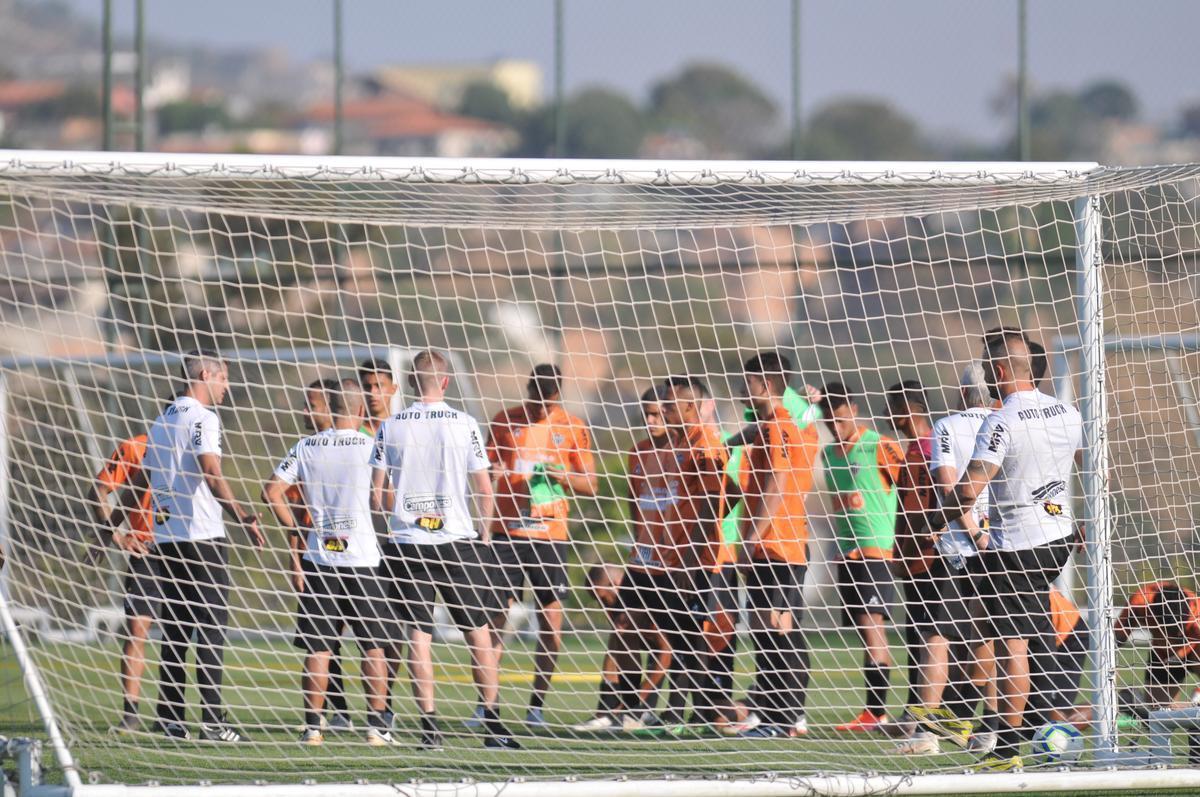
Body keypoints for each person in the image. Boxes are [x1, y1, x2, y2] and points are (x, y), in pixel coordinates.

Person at [925, 330, 1083, 770]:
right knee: (1019, 628)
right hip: (1059, 536)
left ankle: (1005, 746)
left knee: (1012, 642)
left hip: (1019, 545)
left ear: (997, 371)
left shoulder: (1002, 421)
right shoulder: (1068, 412)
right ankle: (978, 719)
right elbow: (1074, 469)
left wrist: (931, 524)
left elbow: (968, 490)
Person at [371, 350, 519, 750]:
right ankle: (493, 725)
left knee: (419, 638)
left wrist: (404, 516)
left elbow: (376, 494)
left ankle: (430, 728)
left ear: (411, 382)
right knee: (479, 635)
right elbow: (484, 490)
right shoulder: (465, 423)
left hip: (408, 545)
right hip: (458, 543)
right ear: (446, 381)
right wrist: (485, 540)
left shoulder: (390, 425)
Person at [115, 349, 264, 742]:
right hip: (202, 538)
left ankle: (170, 719)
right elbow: (211, 472)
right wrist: (243, 515)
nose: (228, 386)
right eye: (224, 378)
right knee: (211, 631)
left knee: (177, 632)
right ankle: (213, 720)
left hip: (165, 540)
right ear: (205, 374)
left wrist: (112, 527)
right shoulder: (203, 418)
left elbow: (138, 485)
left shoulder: (161, 420)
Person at [262, 380, 393, 747]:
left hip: (320, 557)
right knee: (373, 646)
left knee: (318, 647)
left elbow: (270, 491)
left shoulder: (306, 446)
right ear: (362, 410)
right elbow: (385, 498)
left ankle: (313, 728)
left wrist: (298, 532)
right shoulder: (372, 445)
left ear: (330, 408)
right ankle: (376, 728)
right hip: (363, 559)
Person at [484, 364, 598, 729]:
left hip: (550, 535)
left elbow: (591, 484)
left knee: (551, 622)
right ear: (529, 391)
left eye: (547, 406)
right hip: (508, 532)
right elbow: (485, 470)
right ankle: (487, 706)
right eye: (536, 403)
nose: (540, 411)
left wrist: (565, 476)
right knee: (494, 620)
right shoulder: (505, 420)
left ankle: (536, 708)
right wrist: (494, 475)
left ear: (557, 397)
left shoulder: (573, 426)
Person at [574, 387, 674, 733]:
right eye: (646, 414)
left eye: (658, 414)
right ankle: (611, 708)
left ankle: (650, 707)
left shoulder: (690, 452)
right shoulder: (638, 453)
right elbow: (636, 504)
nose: (650, 421)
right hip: (644, 559)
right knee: (623, 632)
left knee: (669, 640)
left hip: (679, 563)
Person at [735, 353, 821, 738]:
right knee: (764, 628)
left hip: (779, 545)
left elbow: (778, 482)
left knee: (779, 627)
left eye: (748, 381)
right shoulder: (780, 424)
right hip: (773, 545)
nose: (742, 387)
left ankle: (785, 717)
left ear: (766, 385)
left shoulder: (777, 427)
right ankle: (773, 711)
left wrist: (752, 535)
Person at [919, 362, 1001, 756]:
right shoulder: (1007, 423)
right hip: (999, 545)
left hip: (957, 547)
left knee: (939, 636)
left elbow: (949, 486)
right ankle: (988, 728)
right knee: (988, 637)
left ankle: (926, 731)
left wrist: (972, 532)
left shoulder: (947, 426)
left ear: (963, 393)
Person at [820, 381, 905, 733]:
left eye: (841, 420)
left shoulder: (879, 446)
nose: (836, 428)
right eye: (830, 423)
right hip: (847, 554)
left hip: (877, 552)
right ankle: (873, 710)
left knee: (873, 628)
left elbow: (915, 487)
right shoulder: (828, 456)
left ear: (853, 410)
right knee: (862, 629)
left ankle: (877, 712)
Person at [885, 379, 953, 753]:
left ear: (908, 409)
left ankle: (930, 717)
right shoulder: (912, 449)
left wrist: (930, 535)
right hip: (912, 557)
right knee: (916, 634)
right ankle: (914, 711)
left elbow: (942, 496)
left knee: (933, 636)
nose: (886, 415)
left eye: (892, 407)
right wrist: (900, 547)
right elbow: (906, 505)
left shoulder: (931, 446)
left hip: (932, 558)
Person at [88, 429, 157, 733]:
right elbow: (100, 490)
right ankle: (130, 713)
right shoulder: (136, 447)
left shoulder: (203, 443)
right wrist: (111, 535)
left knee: (184, 635)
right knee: (137, 630)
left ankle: (177, 714)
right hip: (147, 550)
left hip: (189, 550)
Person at [572, 563, 672, 732]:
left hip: (689, 647)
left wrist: (640, 694)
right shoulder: (616, 604)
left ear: (617, 584)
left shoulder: (644, 597)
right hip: (654, 640)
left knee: (667, 653)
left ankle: (661, 714)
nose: (602, 605)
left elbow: (666, 651)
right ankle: (608, 710)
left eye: (603, 599)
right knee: (618, 637)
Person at [1114, 581, 1200, 710]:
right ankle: (1131, 700)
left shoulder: (1197, 612)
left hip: (1194, 650)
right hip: (1163, 654)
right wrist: (1111, 665)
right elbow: (1115, 639)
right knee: (1158, 712)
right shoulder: (1139, 603)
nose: (1172, 637)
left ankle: (1196, 706)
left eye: (1178, 632)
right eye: (1168, 631)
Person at [359, 358, 399, 438]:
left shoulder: (402, 429)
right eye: (367, 386)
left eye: (379, 386)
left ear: (393, 389)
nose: (372, 392)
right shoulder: (354, 432)